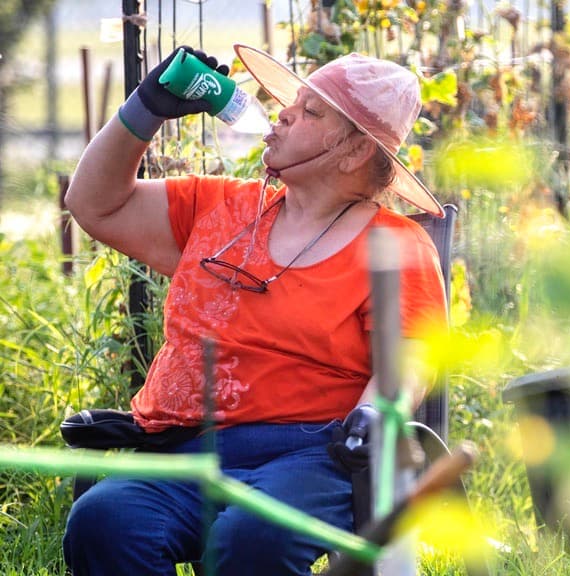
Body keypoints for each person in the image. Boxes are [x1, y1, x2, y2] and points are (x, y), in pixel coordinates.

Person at [61, 44, 447, 575]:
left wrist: (376, 415)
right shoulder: (219, 207)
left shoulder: (395, 246)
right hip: (191, 447)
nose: (284, 112)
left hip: (313, 454)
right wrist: (145, 107)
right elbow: (94, 204)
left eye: (311, 111)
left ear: (355, 152)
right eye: (293, 102)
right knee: (105, 519)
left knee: (251, 535)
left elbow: (408, 362)